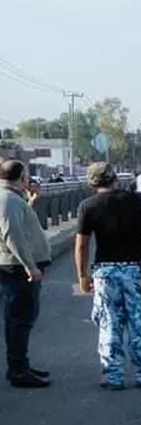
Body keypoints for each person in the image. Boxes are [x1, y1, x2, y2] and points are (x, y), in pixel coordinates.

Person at [75, 162, 141, 390]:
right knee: (138, 321)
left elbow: (82, 245)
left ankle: (113, 375)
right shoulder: (138, 201)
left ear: (92, 182)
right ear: (115, 178)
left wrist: (83, 276)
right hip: (135, 269)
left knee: (109, 323)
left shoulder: (88, 206)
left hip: (105, 272)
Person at [0, 159, 51, 388]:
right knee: (20, 319)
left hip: (17, 266)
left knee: (19, 319)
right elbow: (14, 235)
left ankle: (20, 364)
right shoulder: (8, 199)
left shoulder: (11, 198)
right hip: (17, 269)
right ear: (21, 177)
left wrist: (30, 202)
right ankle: (18, 370)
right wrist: (30, 266)